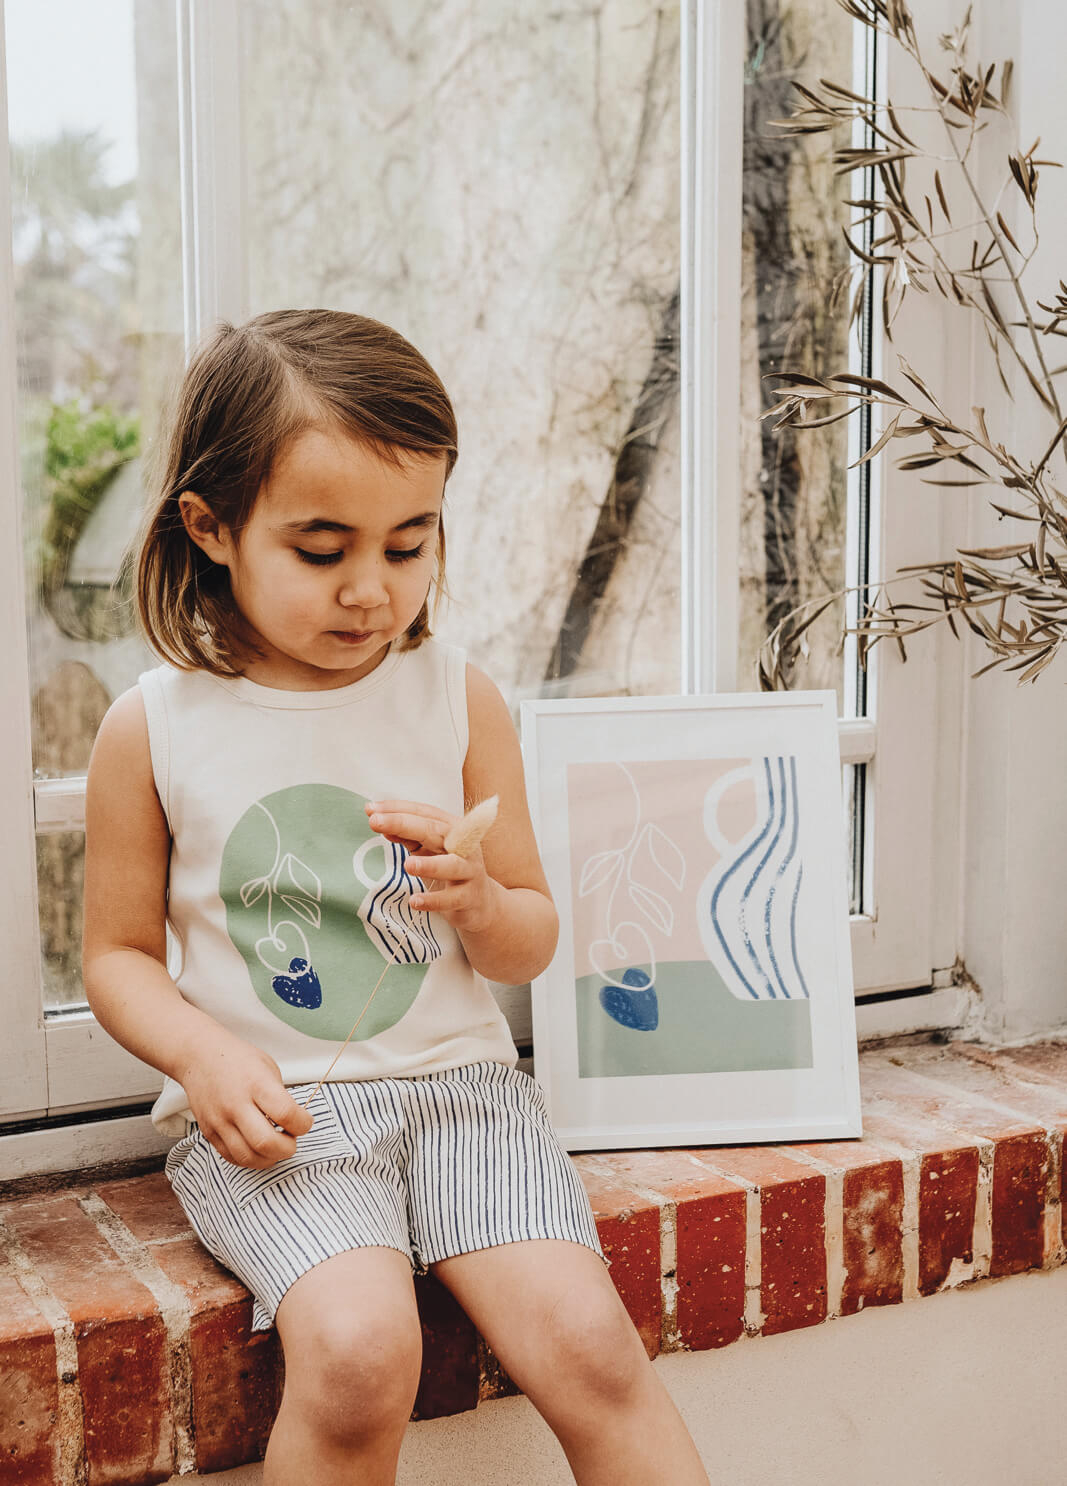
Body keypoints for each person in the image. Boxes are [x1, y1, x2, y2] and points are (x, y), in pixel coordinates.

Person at [82, 308, 710, 1486]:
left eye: (408, 544)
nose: (371, 589)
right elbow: (115, 955)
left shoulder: (456, 698)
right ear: (212, 528)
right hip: (283, 1124)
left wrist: (478, 901)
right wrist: (204, 1058)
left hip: (465, 1098)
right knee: (363, 1354)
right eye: (322, 550)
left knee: (592, 1348)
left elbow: (528, 940)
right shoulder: (153, 726)